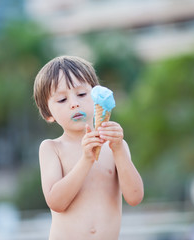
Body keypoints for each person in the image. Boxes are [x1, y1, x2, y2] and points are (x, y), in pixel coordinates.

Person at [33, 56, 144, 239]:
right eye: (62, 100)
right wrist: (86, 160)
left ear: (96, 95)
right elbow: (56, 202)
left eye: (82, 94)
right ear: (48, 114)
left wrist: (119, 150)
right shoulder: (52, 148)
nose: (74, 103)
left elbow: (135, 197)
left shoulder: (115, 145)